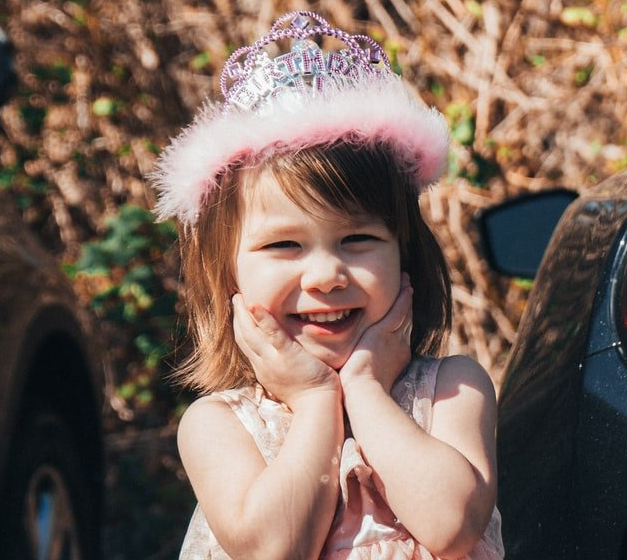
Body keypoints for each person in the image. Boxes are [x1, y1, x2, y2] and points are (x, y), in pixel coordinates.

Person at [152, 11, 504, 560]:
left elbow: (453, 524)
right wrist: (317, 400)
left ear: (405, 254)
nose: (325, 276)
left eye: (358, 239)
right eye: (283, 246)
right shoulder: (219, 426)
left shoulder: (453, 391)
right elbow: (273, 549)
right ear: (227, 274)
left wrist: (363, 388)